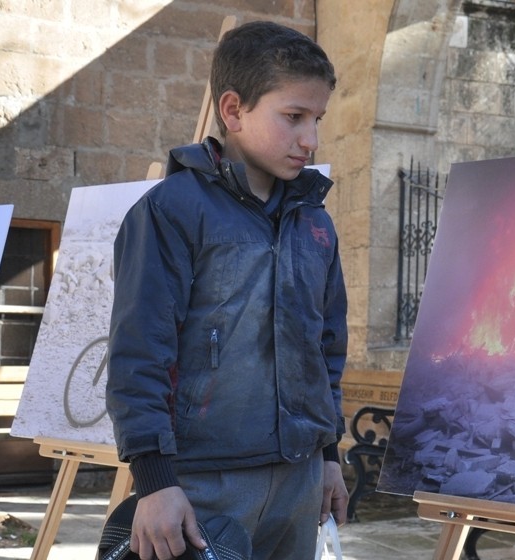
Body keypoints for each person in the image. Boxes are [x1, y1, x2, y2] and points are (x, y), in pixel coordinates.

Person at [106, 21, 348, 560]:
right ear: (234, 110)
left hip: (300, 479)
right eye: (293, 117)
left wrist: (328, 455)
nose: (310, 139)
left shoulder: (316, 226)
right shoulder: (171, 212)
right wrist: (155, 480)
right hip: (201, 484)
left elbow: (325, 350)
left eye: (317, 120)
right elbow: (139, 352)